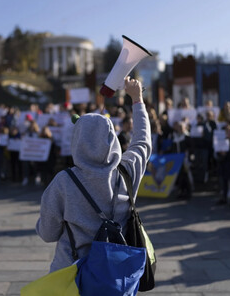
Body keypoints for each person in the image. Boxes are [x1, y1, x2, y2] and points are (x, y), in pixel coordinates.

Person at [36, 76, 151, 272]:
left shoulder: (64, 181)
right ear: (112, 139)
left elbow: (47, 233)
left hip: (72, 274)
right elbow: (143, 142)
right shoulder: (127, 172)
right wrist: (137, 99)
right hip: (116, 275)